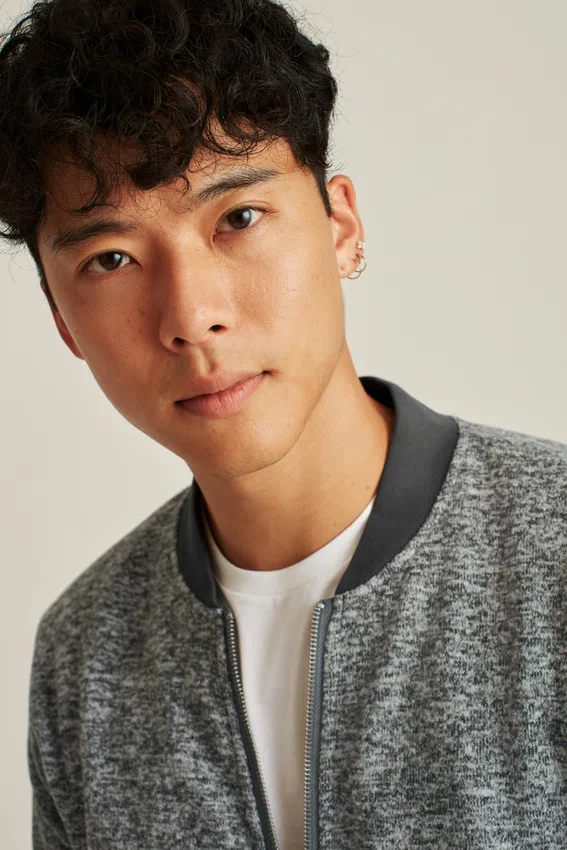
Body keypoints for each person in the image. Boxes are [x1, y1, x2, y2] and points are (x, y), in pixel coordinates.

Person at [1, 0, 565, 847]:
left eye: (237, 218)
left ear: (341, 227)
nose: (191, 317)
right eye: (111, 259)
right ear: (62, 321)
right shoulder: (83, 655)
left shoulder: (552, 554)